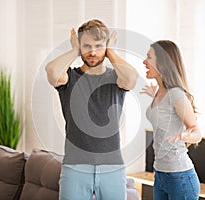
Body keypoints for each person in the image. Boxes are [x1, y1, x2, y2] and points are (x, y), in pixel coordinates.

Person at [45, 19, 138, 200]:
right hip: (75, 167)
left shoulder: (116, 79)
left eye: (98, 46)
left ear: (106, 46)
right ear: (80, 46)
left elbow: (132, 78)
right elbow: (51, 71)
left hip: (112, 168)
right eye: (86, 46)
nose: (93, 52)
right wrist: (73, 50)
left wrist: (110, 52)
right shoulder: (69, 78)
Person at [140, 40, 202, 200]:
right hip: (160, 174)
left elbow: (197, 133)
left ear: (163, 63)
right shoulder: (161, 92)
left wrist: (184, 135)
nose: (144, 61)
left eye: (149, 57)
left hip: (179, 176)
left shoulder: (176, 94)